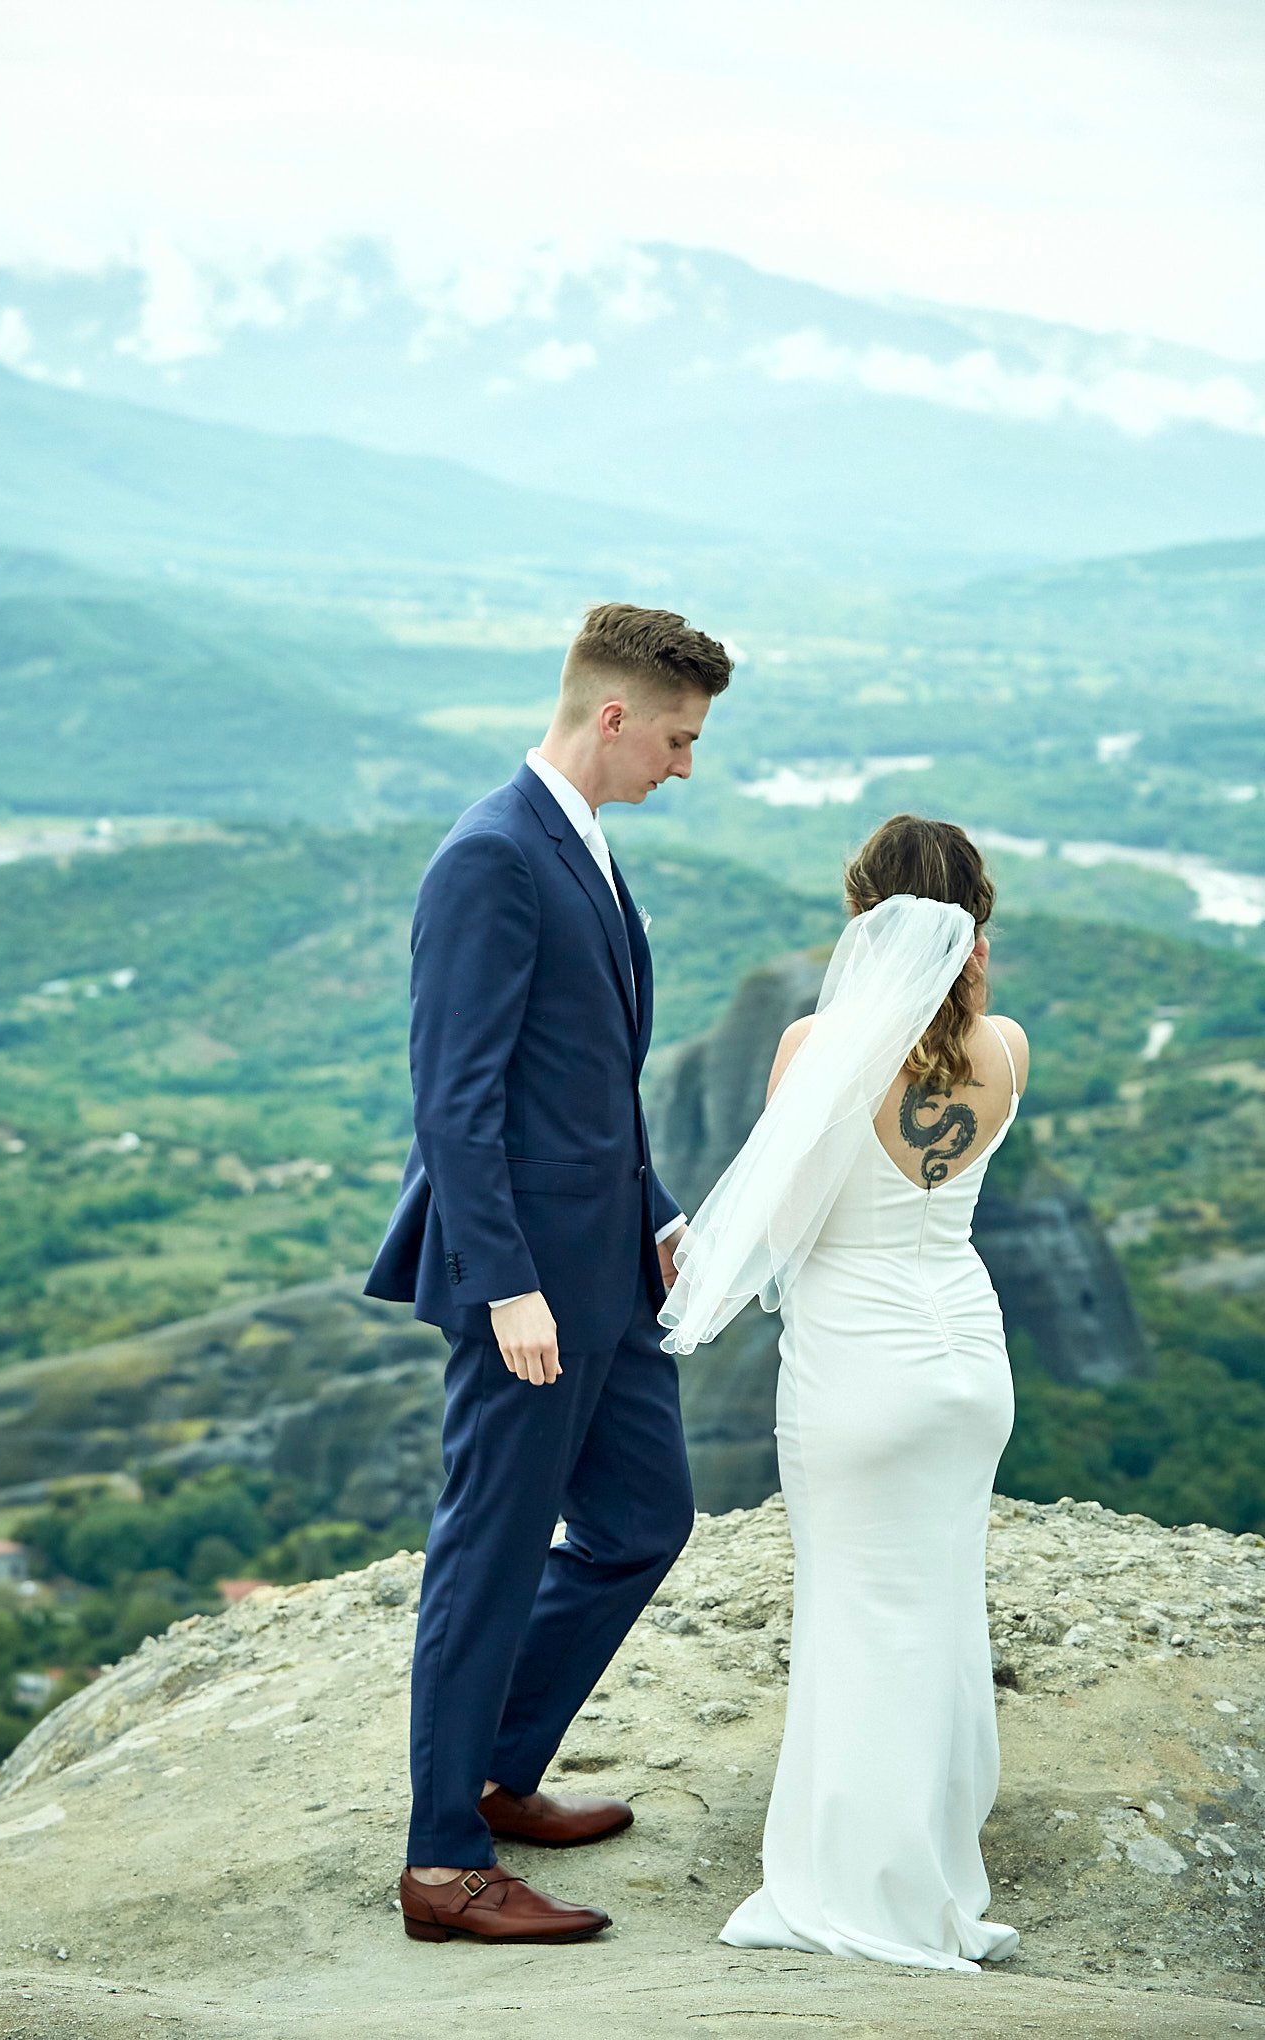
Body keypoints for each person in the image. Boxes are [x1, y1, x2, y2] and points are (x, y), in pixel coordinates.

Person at [366, 602, 732, 1945]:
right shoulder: (491, 857)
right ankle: (444, 1865)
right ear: (615, 714)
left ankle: (494, 1766)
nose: (685, 767)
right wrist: (508, 1285)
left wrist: (658, 1211)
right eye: (680, 741)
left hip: (611, 1271)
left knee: (644, 1521)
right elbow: (454, 1102)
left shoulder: (585, 846)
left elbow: (587, 1088)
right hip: (529, 1292)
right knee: (492, 1554)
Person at [661, 815, 1027, 1973]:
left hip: (859, 1366)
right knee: (938, 1614)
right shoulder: (1007, 1047)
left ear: (862, 919)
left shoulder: (820, 1044)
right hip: (967, 1359)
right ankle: (939, 1875)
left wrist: (682, 1259)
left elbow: (782, 1226)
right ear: (974, 927)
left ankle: (861, 1892)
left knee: (857, 1622)